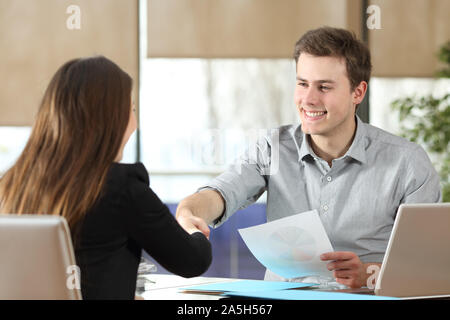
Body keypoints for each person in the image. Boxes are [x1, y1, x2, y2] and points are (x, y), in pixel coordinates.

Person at [175, 27, 441, 289]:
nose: (308, 99)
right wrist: (190, 210)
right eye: (302, 84)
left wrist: (369, 274)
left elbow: (427, 269)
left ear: (357, 93)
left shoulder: (408, 163)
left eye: (324, 87)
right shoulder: (273, 148)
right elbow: (223, 192)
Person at [0, 56, 211, 299]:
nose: (134, 123)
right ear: (110, 119)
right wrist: (189, 228)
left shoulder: (12, 184)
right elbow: (192, 261)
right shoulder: (121, 188)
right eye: (131, 110)